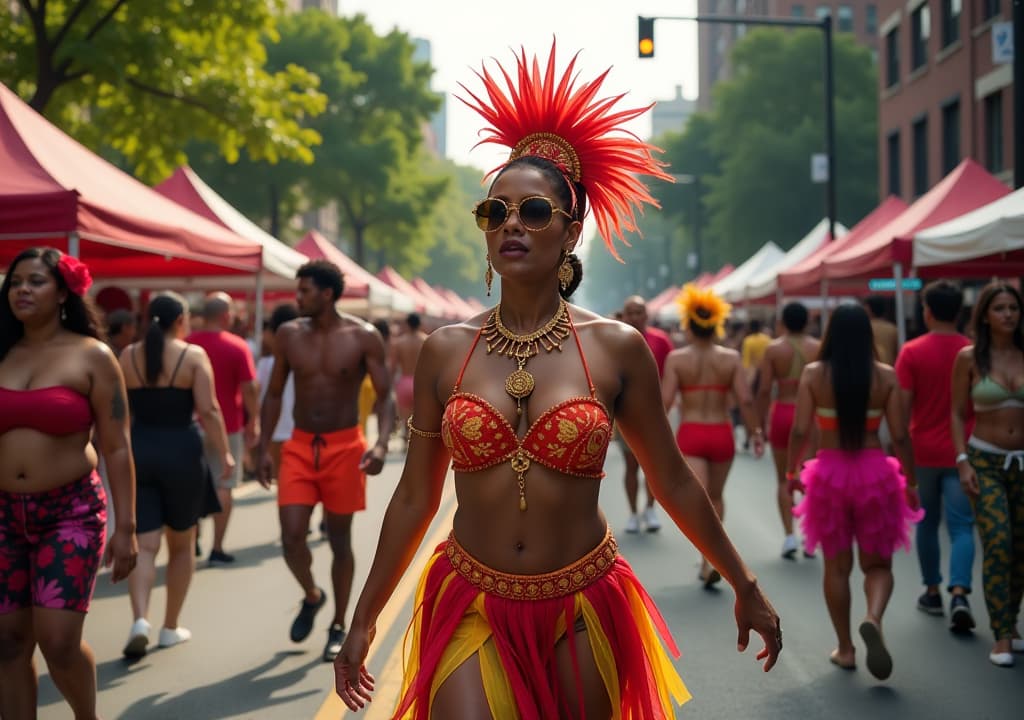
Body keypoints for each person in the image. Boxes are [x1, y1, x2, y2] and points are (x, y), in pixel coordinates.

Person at [335, 43, 781, 718]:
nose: (511, 223)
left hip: (583, 603)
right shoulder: (444, 350)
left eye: (534, 212)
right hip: (473, 600)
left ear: (570, 233)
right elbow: (412, 500)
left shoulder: (617, 349)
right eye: (495, 212)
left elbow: (672, 478)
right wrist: (364, 617)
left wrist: (744, 581)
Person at [0, 247, 137, 719]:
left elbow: (117, 446)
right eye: (16, 281)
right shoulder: (0, 351)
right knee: (7, 642)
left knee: (58, 642)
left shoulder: (93, 356)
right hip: (1, 514)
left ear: (62, 291)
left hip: (70, 512)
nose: (22, 289)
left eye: (36, 281)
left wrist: (127, 528)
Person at [259, 260, 394, 663]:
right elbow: (273, 392)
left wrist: (383, 443)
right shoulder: (288, 335)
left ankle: (338, 624)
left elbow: (385, 396)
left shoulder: (364, 336)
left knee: (339, 541)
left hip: (345, 448)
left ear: (328, 294)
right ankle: (312, 595)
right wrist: (263, 445)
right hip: (300, 446)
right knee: (291, 535)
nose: (297, 297)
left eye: (304, 291)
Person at [785, 304, 921, 680]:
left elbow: (799, 431)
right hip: (876, 473)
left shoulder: (814, 374)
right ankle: (873, 618)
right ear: (868, 335)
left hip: (828, 475)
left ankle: (845, 649)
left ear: (830, 333)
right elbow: (899, 435)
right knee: (878, 566)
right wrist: (911, 481)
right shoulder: (885, 376)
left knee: (837, 567)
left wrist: (791, 469)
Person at [118, 292, 233, 658]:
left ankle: (140, 619)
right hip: (182, 452)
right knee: (182, 544)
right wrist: (226, 454)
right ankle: (169, 627)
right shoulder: (192, 355)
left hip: (140, 450)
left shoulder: (127, 355)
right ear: (180, 320)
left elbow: (118, 412)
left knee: (146, 545)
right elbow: (210, 409)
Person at [662, 284, 765, 588]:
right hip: (722, 432)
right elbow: (745, 400)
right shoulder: (730, 359)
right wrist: (756, 432)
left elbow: (665, 403)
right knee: (717, 498)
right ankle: (712, 561)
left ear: (689, 325)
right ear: (715, 324)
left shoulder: (677, 360)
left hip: (691, 432)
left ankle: (707, 560)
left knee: (700, 501)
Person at [950, 281, 1024, 667]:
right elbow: (957, 413)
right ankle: (1000, 636)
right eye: (1000, 309)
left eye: (1014, 307)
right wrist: (962, 459)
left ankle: (1010, 623)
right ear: (986, 315)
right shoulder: (969, 357)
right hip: (985, 459)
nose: (1008, 315)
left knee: (1021, 547)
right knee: (998, 541)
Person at [895, 281, 975, 631]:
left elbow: (902, 407)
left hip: (922, 450)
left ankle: (932, 590)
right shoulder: (974, 351)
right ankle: (960, 592)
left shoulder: (911, 351)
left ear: (927, 311)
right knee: (961, 526)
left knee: (926, 523)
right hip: (965, 451)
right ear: (959, 312)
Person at [187, 292, 259, 565]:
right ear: (226, 316)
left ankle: (192, 541)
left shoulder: (187, 343)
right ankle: (216, 547)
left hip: (191, 425)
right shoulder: (237, 346)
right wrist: (254, 421)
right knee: (224, 482)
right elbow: (249, 388)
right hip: (228, 427)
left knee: (193, 485)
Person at [756, 302, 820, 559]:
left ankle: (789, 536)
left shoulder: (773, 350)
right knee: (811, 478)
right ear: (807, 322)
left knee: (784, 477)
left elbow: (763, 390)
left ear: (782, 322)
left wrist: (759, 424)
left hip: (782, 411)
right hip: (812, 416)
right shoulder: (818, 347)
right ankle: (809, 538)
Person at [619, 295, 674, 533]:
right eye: (629, 312)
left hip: (655, 414)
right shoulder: (615, 341)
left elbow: (672, 376)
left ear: (646, 314)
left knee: (653, 467)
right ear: (624, 315)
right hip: (625, 413)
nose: (634, 316)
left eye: (638, 311)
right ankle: (632, 513)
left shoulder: (661, 341)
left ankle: (650, 508)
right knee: (631, 465)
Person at [256, 303, 300, 480]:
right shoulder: (306, 361)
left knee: (285, 482)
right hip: (299, 431)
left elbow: (261, 394)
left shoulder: (266, 364)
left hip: (277, 430)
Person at [389, 313, 428, 449]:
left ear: (407, 324)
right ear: (419, 324)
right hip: (420, 382)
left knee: (405, 416)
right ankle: (416, 443)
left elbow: (392, 367)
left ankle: (405, 441)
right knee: (420, 416)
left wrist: (391, 385)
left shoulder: (399, 342)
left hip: (404, 381)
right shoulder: (426, 340)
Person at [864, 295, 898, 365]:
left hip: (870, 370)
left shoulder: (863, 328)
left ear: (869, 309)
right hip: (890, 368)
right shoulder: (893, 329)